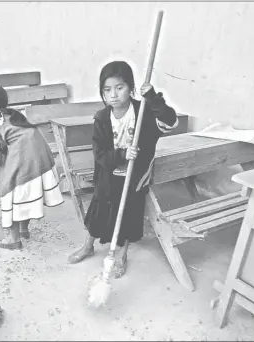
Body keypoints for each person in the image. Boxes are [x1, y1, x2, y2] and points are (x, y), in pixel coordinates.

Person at [67, 61, 179, 278]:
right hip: (108, 174)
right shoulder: (101, 118)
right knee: (98, 211)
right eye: (107, 90)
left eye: (120, 87)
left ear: (131, 87)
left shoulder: (144, 111)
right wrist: (121, 155)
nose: (114, 95)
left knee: (128, 214)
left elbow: (170, 121)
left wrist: (153, 98)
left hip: (135, 175)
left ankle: (121, 254)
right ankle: (88, 245)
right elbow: (99, 154)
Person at [0, 85, 64, 250]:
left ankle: (12, 239)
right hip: (40, 159)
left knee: (12, 194)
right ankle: (24, 229)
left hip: (25, 162)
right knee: (24, 197)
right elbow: (9, 140)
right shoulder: (12, 114)